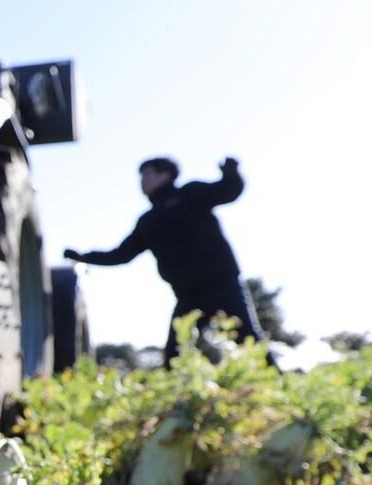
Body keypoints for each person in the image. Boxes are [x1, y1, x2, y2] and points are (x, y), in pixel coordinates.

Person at [64, 156, 269, 364]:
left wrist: (232, 172)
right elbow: (121, 255)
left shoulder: (191, 194)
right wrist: (83, 257)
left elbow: (229, 190)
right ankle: (179, 393)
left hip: (222, 285)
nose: (142, 182)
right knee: (175, 353)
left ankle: (276, 383)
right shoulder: (149, 221)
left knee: (249, 338)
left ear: (165, 174)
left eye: (146, 175)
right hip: (188, 296)